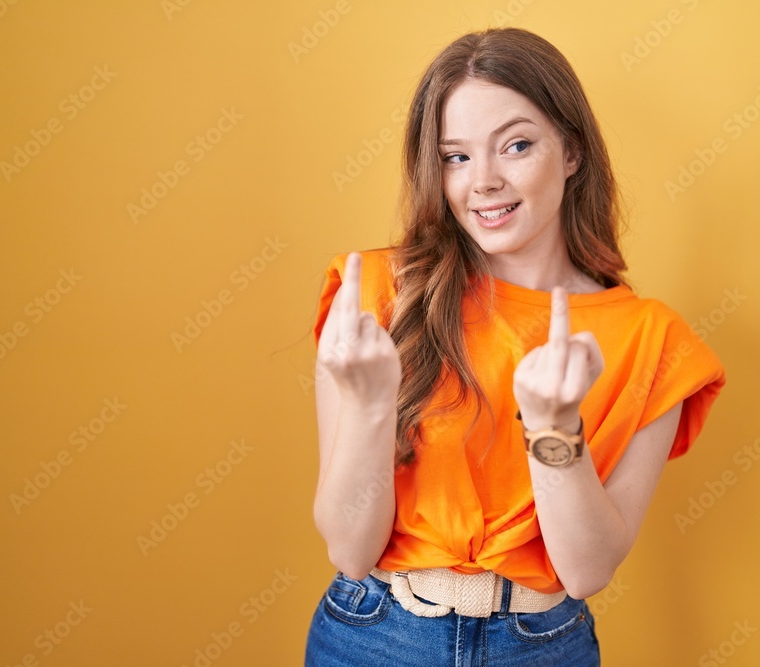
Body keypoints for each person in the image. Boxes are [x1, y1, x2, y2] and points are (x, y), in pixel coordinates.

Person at [304, 26, 725, 666]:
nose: (484, 182)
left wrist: (553, 429)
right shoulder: (378, 295)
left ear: (573, 152)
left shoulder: (652, 342)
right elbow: (349, 550)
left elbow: (584, 572)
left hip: (540, 647)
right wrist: (368, 407)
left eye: (517, 145)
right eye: (456, 156)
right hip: (371, 636)